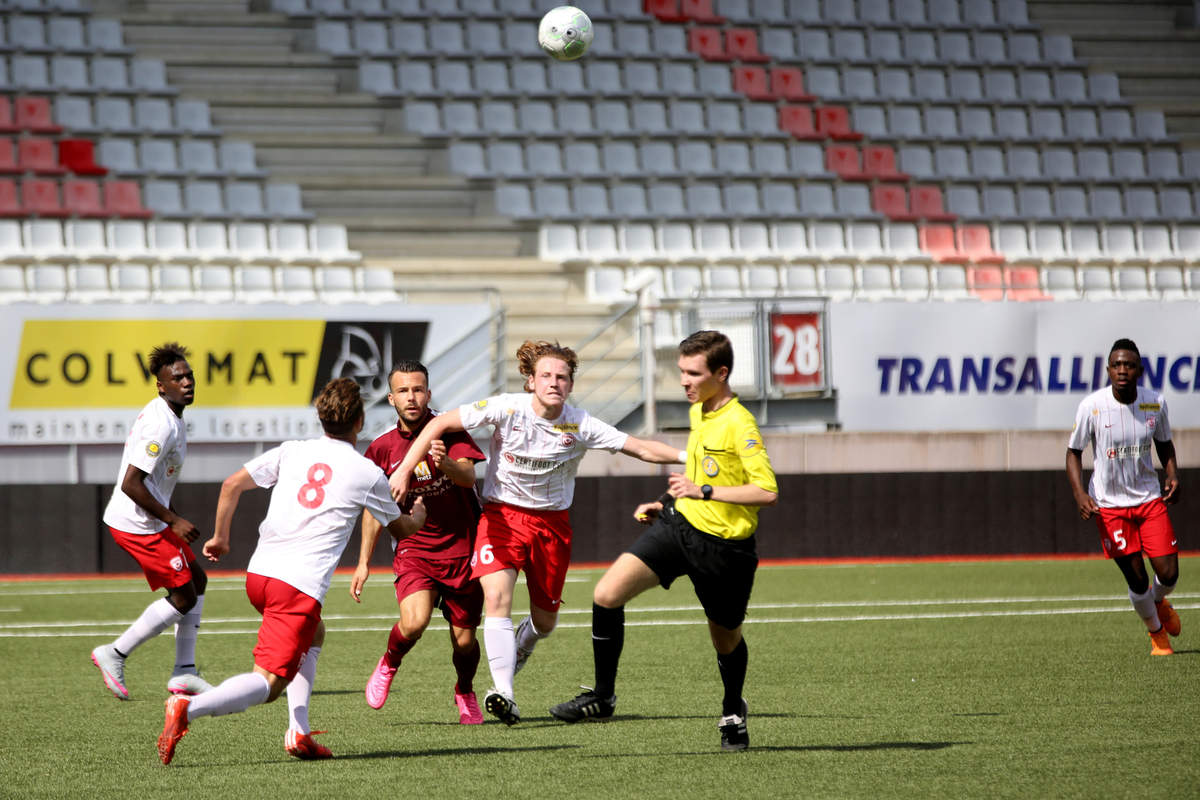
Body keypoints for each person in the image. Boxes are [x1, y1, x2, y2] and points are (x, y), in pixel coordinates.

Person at [388, 340, 686, 726]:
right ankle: (503, 693)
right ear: (530, 381)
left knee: (545, 623)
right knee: (495, 598)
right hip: (501, 518)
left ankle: (522, 645)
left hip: (551, 526)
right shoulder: (506, 407)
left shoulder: (580, 424)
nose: (554, 382)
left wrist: (690, 455)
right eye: (546, 375)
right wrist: (405, 468)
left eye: (562, 377)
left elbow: (641, 448)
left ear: (570, 385)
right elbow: (441, 422)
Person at [157, 377, 426, 765]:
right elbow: (399, 528)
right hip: (295, 588)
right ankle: (186, 708)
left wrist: (220, 538)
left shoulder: (293, 450)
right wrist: (417, 516)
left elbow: (232, 484)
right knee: (267, 685)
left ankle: (299, 732)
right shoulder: (367, 472)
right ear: (360, 420)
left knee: (315, 632)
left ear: (321, 417)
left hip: (260, 576)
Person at [550, 330, 778, 752]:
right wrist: (664, 500)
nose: (685, 381)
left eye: (693, 373)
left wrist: (704, 493)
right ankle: (602, 696)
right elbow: (697, 469)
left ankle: (732, 708)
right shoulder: (700, 410)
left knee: (724, 639)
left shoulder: (740, 423)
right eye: (681, 372)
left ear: (721, 373)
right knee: (606, 593)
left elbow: (766, 491)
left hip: (724, 548)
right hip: (679, 525)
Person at [360, 360, 488, 725]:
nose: (411, 397)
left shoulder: (449, 430)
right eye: (403, 391)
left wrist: (445, 463)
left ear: (428, 394)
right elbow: (373, 507)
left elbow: (467, 477)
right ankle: (389, 662)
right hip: (416, 549)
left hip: (465, 549)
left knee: (464, 643)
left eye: (418, 389)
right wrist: (365, 562)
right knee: (413, 623)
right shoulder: (382, 448)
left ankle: (464, 689)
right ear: (391, 398)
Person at [91, 342, 212, 701]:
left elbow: (157, 479)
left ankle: (185, 672)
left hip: (151, 520)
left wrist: (169, 517)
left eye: (189, 375)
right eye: (178, 378)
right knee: (184, 596)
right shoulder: (161, 424)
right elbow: (131, 483)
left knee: (198, 579)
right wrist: (172, 519)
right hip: (136, 524)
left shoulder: (172, 414)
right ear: (161, 385)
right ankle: (114, 653)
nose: (187, 382)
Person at [1066, 338, 1182, 656]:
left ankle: (1158, 602)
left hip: (1148, 498)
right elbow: (1073, 452)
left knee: (1169, 573)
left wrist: (1172, 474)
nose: (1122, 370)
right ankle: (1157, 635)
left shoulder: (1153, 403)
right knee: (1136, 577)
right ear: (1108, 370)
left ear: (1139, 370)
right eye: (1116, 365)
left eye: (1128, 365)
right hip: (1110, 506)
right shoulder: (1092, 406)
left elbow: (1165, 444)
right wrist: (1079, 494)